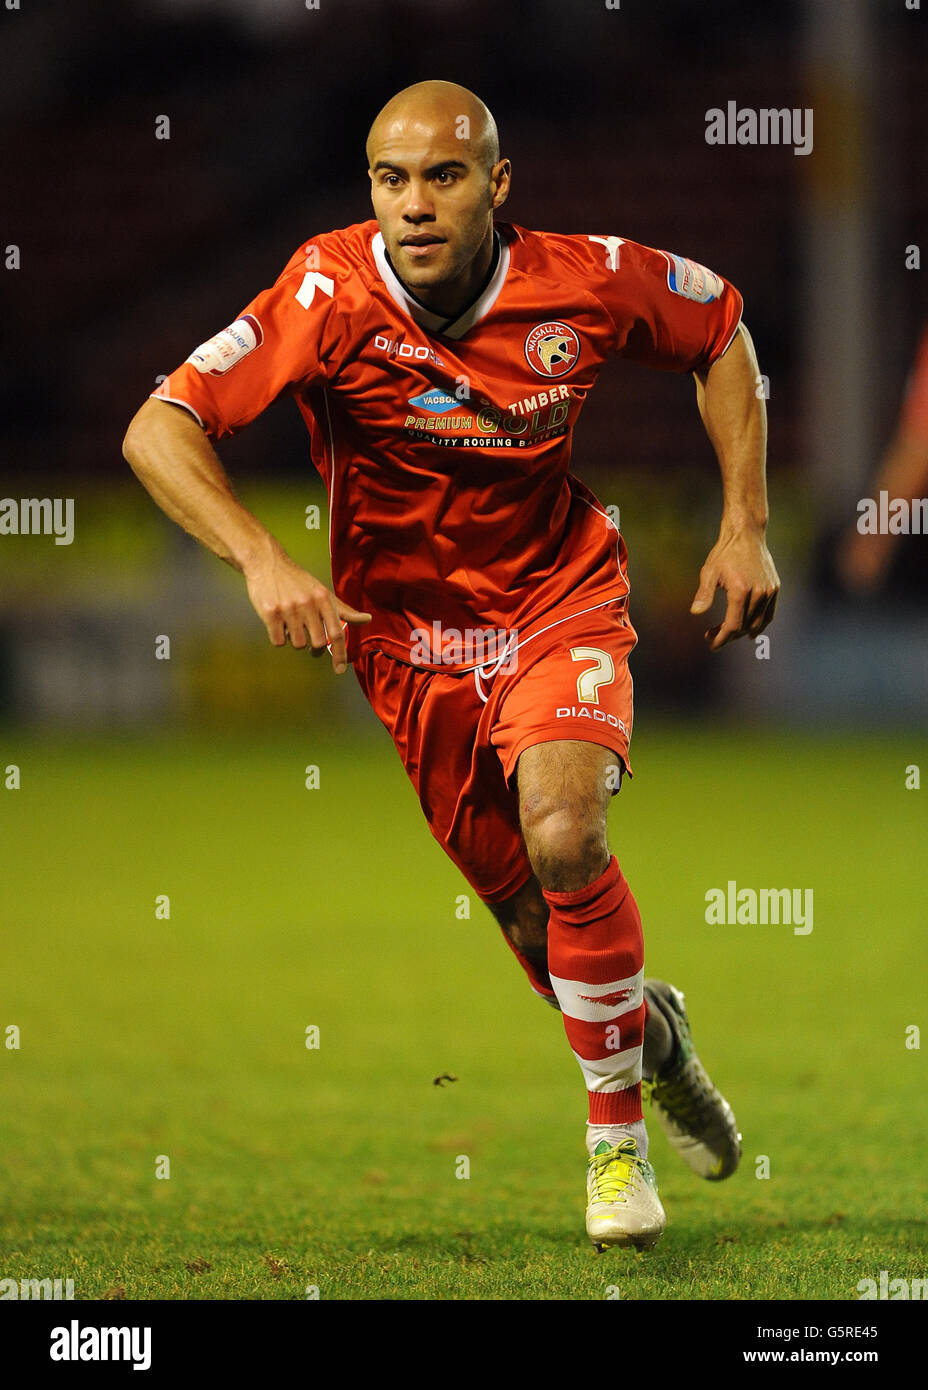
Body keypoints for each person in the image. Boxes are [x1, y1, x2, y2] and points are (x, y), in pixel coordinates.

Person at [123, 80, 779, 1250]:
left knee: (567, 834)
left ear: (498, 185)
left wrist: (744, 521)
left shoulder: (583, 279)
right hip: (409, 654)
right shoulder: (324, 290)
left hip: (554, 600)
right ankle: (656, 1038)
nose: (413, 206)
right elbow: (159, 424)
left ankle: (615, 1150)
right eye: (389, 179)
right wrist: (263, 559)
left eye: (443, 176)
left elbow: (720, 327)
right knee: (536, 928)